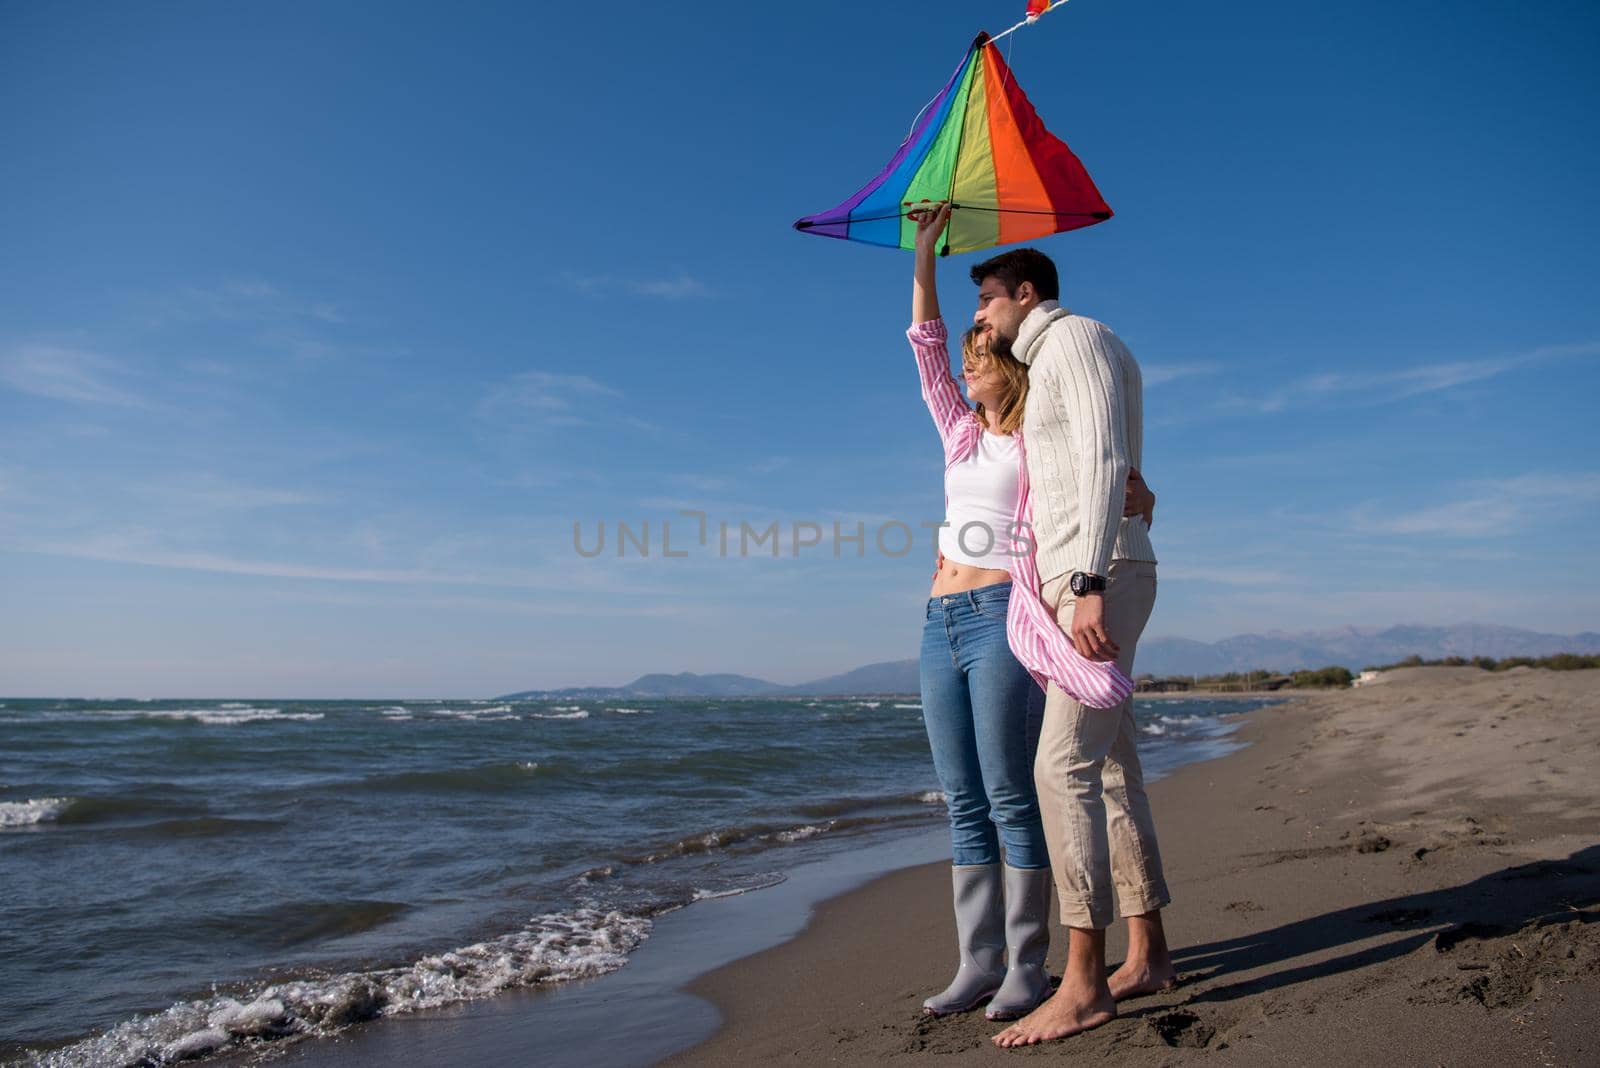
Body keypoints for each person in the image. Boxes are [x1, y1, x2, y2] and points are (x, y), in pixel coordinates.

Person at [906, 203, 1154, 1023]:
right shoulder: (959, 437)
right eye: (969, 354)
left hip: (1006, 613)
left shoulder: (1030, 440)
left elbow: (1096, 452)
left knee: (1017, 787)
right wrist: (925, 252)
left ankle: (1028, 961)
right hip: (939, 622)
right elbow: (926, 349)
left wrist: (1133, 487)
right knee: (961, 794)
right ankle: (976, 959)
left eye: (983, 352)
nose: (969, 364)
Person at [962, 243, 1173, 1047]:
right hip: (1091, 572)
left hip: (1098, 574)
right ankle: (1147, 951)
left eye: (986, 301)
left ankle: (1083, 982)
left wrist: (1085, 580)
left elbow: (1104, 455)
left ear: (1023, 294)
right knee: (1113, 764)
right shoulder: (1082, 348)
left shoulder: (1073, 338)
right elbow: (1114, 451)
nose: (981, 317)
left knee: (1061, 766)